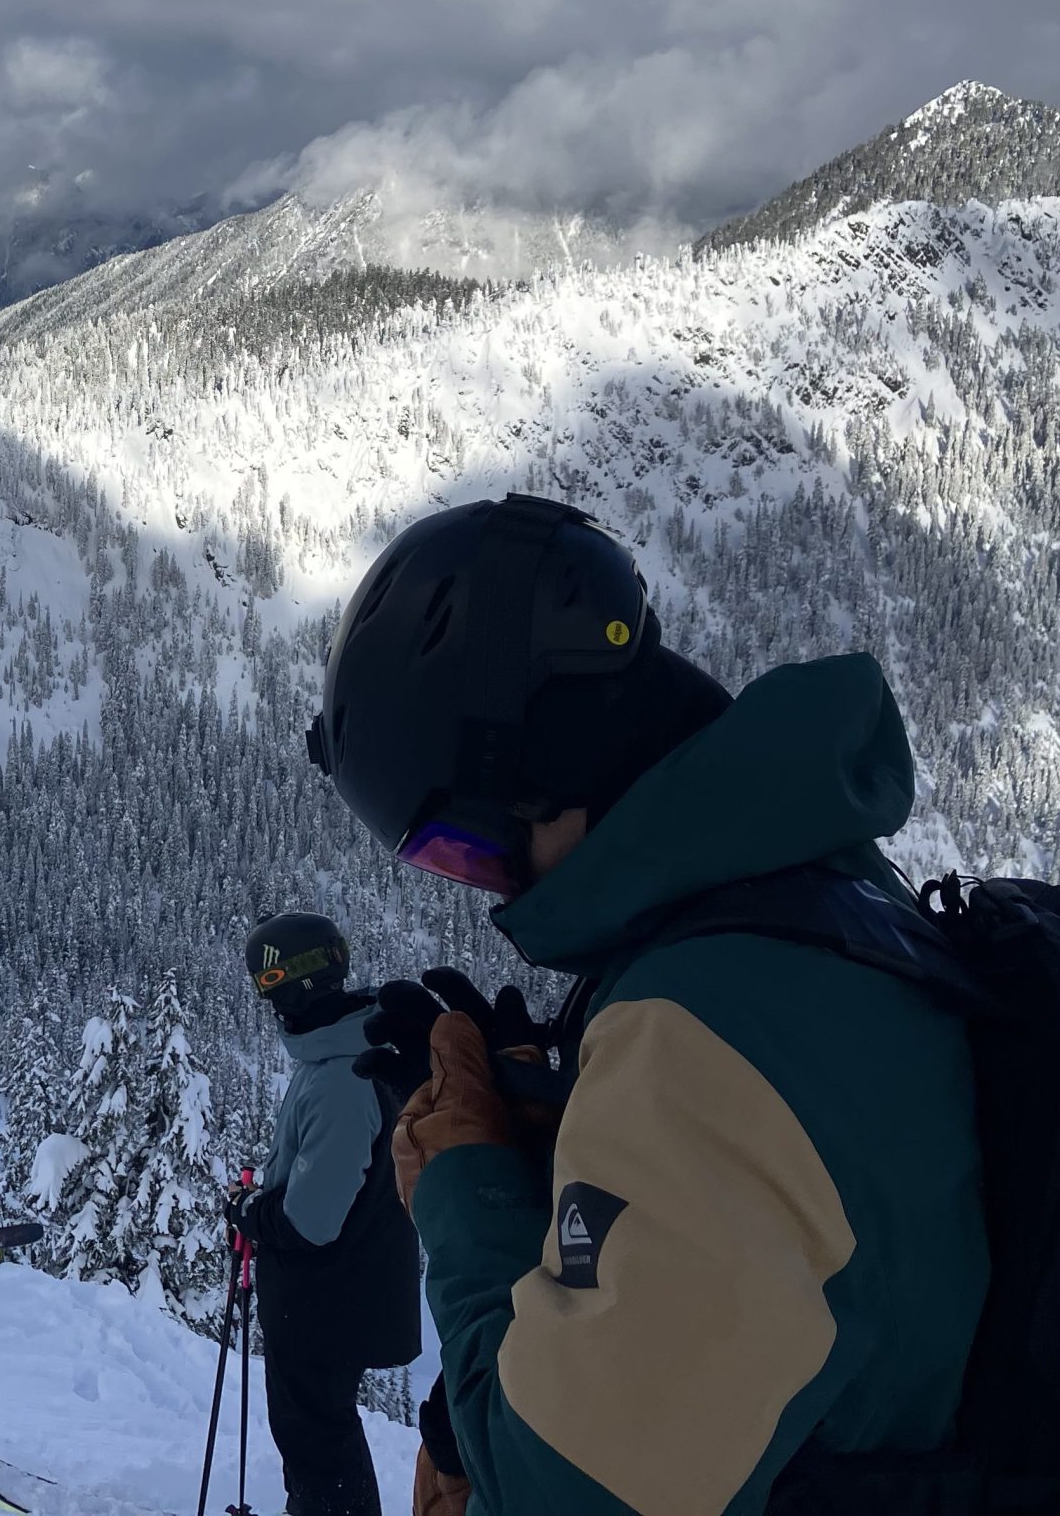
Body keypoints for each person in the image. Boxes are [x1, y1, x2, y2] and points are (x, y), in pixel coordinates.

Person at [304, 492, 988, 1516]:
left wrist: (467, 1182)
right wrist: (577, 1133)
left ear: (554, 768)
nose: (494, 887)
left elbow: (559, 1492)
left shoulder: (702, 1036)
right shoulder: (828, 903)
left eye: (468, 850)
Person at [227, 910, 422, 1516]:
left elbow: (312, 1222)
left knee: (316, 1433)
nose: (269, 1003)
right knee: (317, 1428)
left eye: (271, 985)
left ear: (296, 984)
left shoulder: (341, 1077)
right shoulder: (337, 1058)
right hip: (338, 1290)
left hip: (325, 1297)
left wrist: (252, 1215)